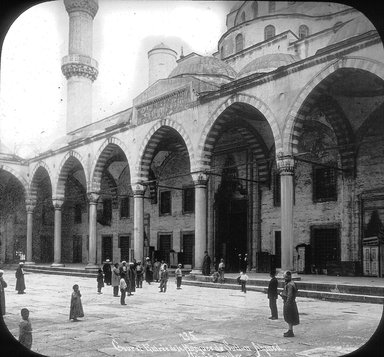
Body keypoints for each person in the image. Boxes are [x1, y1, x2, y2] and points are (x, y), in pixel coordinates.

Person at [280, 271, 299, 337]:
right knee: (289, 317)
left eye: (285, 277)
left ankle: (290, 331)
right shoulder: (291, 283)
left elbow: (290, 295)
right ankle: (290, 330)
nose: (284, 278)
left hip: (289, 303)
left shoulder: (290, 285)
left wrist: (287, 303)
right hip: (291, 302)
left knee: (289, 317)